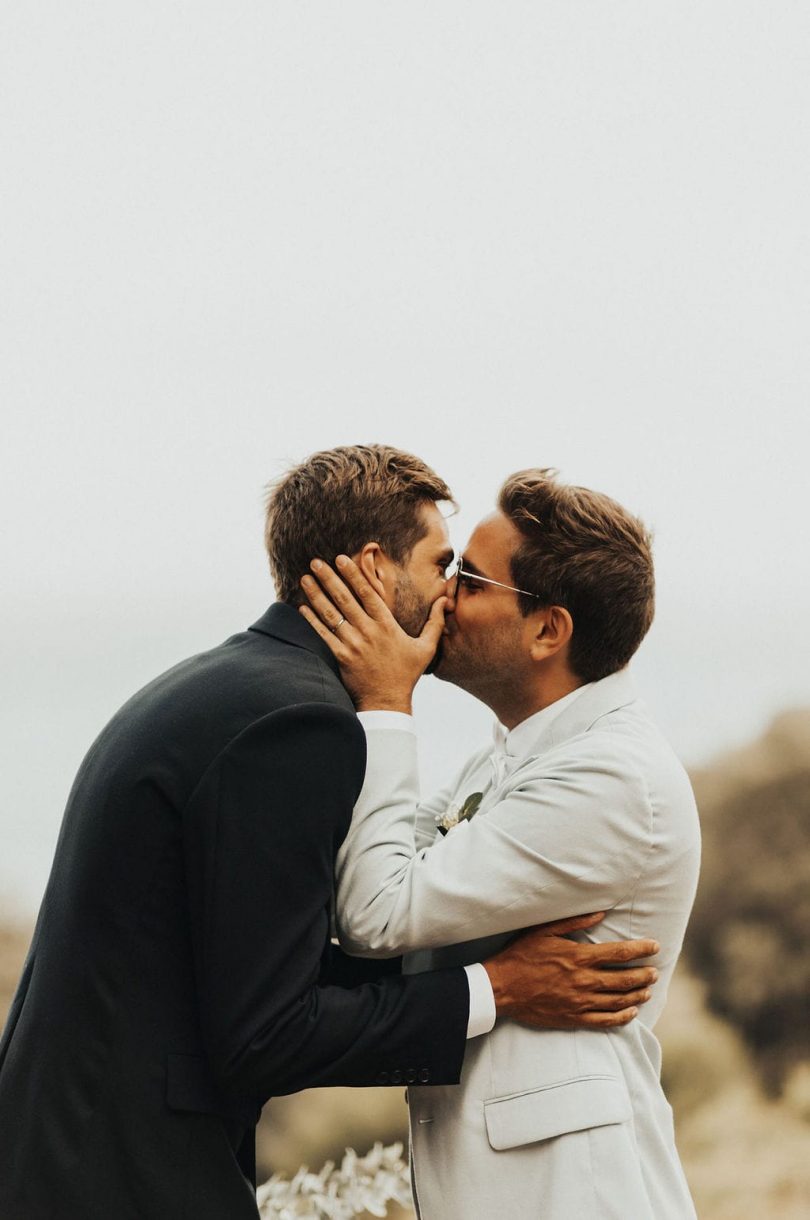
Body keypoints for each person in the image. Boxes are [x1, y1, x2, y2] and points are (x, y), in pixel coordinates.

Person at [0, 447, 658, 1220]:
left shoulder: (236, 686)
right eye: (441, 565)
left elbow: (269, 969)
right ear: (377, 569)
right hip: (120, 1180)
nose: (449, 596)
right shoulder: (299, 724)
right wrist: (500, 988)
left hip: (77, 1158)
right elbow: (268, 1033)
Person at [300, 466, 701, 1219]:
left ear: (549, 630)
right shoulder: (516, 752)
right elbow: (376, 891)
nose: (444, 595)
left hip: (571, 1192)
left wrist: (386, 700)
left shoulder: (611, 779)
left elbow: (379, 914)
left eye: (473, 581)